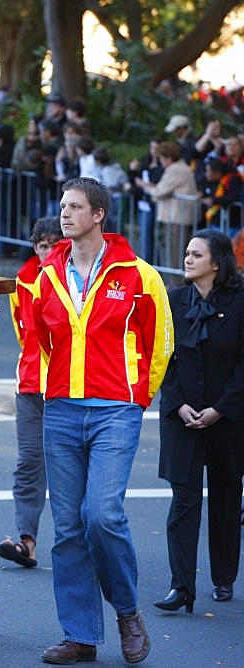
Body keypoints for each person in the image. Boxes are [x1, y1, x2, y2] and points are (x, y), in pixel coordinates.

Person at [32, 177, 173, 665]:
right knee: (68, 528)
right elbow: (41, 340)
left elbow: (160, 342)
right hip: (62, 409)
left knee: (102, 515)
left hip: (116, 409)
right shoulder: (48, 273)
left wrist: (138, 395)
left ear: (98, 215)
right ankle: (80, 635)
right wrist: (53, 391)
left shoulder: (138, 274)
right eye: (63, 205)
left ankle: (127, 612)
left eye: (74, 207)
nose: (65, 213)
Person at [155, 229, 244, 613]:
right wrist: (177, 405)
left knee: (226, 497)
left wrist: (220, 408)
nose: (187, 259)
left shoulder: (241, 302)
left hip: (228, 418)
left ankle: (223, 579)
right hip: (182, 417)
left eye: (196, 254)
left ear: (217, 262)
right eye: (187, 253)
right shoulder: (173, 300)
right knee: (183, 501)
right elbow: (160, 358)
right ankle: (182, 587)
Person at [0, 217, 61, 569]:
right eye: (41, 245)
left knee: (69, 469)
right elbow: (25, 332)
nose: (47, 250)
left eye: (53, 243)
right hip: (32, 383)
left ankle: (81, 544)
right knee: (29, 463)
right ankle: (27, 541)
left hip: (68, 386)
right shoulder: (25, 278)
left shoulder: (75, 276)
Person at [141, 142, 198, 268]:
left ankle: (176, 285)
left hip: (176, 218)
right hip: (177, 217)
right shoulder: (181, 167)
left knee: (175, 257)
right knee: (177, 255)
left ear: (169, 158)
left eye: (161, 158)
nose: (160, 161)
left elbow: (159, 191)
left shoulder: (175, 170)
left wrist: (145, 186)